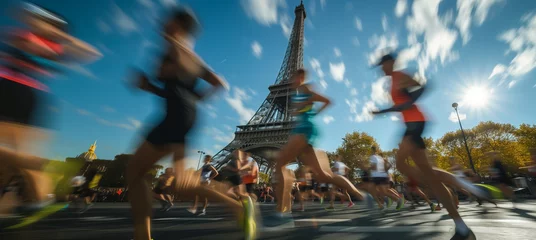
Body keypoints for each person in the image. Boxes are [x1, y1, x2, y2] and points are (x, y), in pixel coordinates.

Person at [126, 8, 255, 240]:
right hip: (180, 115)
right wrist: (191, 99)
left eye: (168, 22)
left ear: (178, 26)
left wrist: (167, 81)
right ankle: (236, 206)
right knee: (172, 182)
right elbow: (217, 83)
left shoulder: (176, 48)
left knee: (141, 174)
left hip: (176, 117)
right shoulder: (184, 52)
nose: (163, 24)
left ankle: (142, 236)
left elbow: (188, 83)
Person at [0, 2, 101, 216]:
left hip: (20, 94)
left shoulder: (47, 43)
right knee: (9, 164)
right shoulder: (21, 36)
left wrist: (57, 34)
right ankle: (27, 195)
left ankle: (35, 183)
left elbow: (91, 53)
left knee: (18, 160)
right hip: (8, 90)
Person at [372, 54, 482, 239]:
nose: (381, 68)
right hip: (412, 124)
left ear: (390, 63)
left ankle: (467, 186)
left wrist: (409, 100)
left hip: (416, 122)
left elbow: (424, 86)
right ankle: (462, 228)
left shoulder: (399, 75)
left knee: (400, 163)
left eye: (383, 64)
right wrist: (384, 110)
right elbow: (400, 107)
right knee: (431, 176)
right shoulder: (393, 82)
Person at [264, 69, 364, 228]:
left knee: (280, 164)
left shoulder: (305, 89)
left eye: (295, 77)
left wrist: (313, 112)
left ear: (301, 77)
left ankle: (282, 211)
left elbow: (327, 101)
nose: (292, 79)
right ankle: (361, 195)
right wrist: (306, 110)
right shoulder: (298, 92)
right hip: (303, 131)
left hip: (303, 130)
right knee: (324, 175)